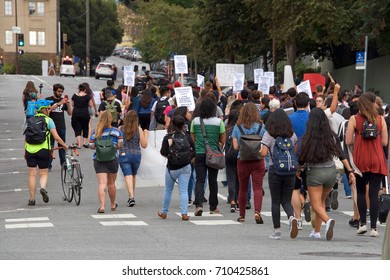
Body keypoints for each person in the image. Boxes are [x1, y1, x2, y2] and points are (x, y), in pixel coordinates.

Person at [298, 108, 355, 240]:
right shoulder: (332, 135)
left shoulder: (308, 137)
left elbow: (302, 157)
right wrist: (350, 171)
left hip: (315, 173)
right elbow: (342, 154)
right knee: (321, 202)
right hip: (331, 172)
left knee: (315, 203)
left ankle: (328, 220)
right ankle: (316, 231)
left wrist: (298, 170)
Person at [346, 92, 388, 237]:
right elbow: (384, 142)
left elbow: (347, 140)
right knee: (374, 193)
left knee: (361, 191)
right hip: (377, 158)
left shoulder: (354, 119)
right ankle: (374, 228)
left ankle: (362, 223)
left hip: (360, 159)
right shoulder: (380, 119)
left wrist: (357, 137)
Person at [260, 108, 298, 239]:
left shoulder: (269, 134)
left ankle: (277, 231)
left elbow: (263, 153)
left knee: (275, 201)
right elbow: (295, 151)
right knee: (286, 200)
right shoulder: (292, 134)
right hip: (290, 170)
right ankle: (292, 217)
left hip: (275, 170)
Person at [25, 100, 68, 205]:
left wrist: (25, 151)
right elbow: (56, 137)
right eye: (48, 108)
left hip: (30, 150)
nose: (49, 110)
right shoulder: (49, 120)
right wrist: (64, 145)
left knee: (32, 174)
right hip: (44, 150)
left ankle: (32, 199)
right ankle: (43, 188)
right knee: (43, 173)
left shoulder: (29, 120)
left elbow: (26, 138)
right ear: (43, 110)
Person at [191, 98, 226, 215]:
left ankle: (198, 205)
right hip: (214, 154)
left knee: (200, 179)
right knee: (213, 181)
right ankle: (213, 206)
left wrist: (199, 145)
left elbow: (193, 137)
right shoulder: (218, 122)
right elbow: (222, 139)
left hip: (200, 153)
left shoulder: (195, 121)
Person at [232, 102, 266, 223]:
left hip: (243, 159)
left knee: (243, 188)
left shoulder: (237, 127)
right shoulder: (261, 126)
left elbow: (235, 147)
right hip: (258, 160)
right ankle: (257, 212)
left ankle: (242, 215)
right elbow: (265, 143)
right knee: (257, 187)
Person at [158, 115, 195, 220]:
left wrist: (170, 156)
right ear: (184, 125)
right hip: (185, 166)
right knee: (183, 191)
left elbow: (163, 152)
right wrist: (189, 158)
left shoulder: (168, 137)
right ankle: (184, 213)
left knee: (168, 189)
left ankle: (164, 212)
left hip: (172, 167)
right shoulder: (187, 136)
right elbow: (194, 150)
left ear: (172, 124)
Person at [89, 111, 123, 213]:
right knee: (111, 183)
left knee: (102, 183)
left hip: (99, 159)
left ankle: (102, 206)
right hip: (112, 158)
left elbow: (91, 146)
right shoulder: (116, 132)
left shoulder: (96, 131)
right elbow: (120, 145)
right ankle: (113, 204)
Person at [288, 92, 310, 229]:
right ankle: (308, 201)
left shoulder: (290, 119)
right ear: (308, 104)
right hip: (312, 156)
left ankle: (298, 218)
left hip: (294, 157)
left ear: (295, 103)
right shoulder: (312, 118)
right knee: (312, 188)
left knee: (295, 189)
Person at [118, 110, 148, 207]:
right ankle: (131, 195)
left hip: (124, 154)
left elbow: (118, 144)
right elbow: (144, 145)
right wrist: (146, 134)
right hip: (136, 154)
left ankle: (131, 197)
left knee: (128, 175)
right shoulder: (138, 129)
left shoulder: (120, 129)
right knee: (133, 175)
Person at [46, 84, 72, 169]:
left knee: (62, 145)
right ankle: (48, 164)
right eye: (58, 91)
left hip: (61, 126)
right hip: (51, 126)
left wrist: (68, 104)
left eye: (61, 92)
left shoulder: (63, 100)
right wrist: (59, 103)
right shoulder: (49, 100)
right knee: (50, 146)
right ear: (54, 91)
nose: (60, 93)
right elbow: (48, 110)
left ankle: (63, 163)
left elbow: (70, 113)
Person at [71, 84, 93, 149]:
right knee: (85, 127)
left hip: (76, 113)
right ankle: (84, 142)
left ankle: (79, 144)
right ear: (85, 90)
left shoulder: (74, 96)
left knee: (77, 127)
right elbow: (91, 105)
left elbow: (72, 105)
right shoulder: (87, 96)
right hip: (85, 113)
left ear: (79, 89)